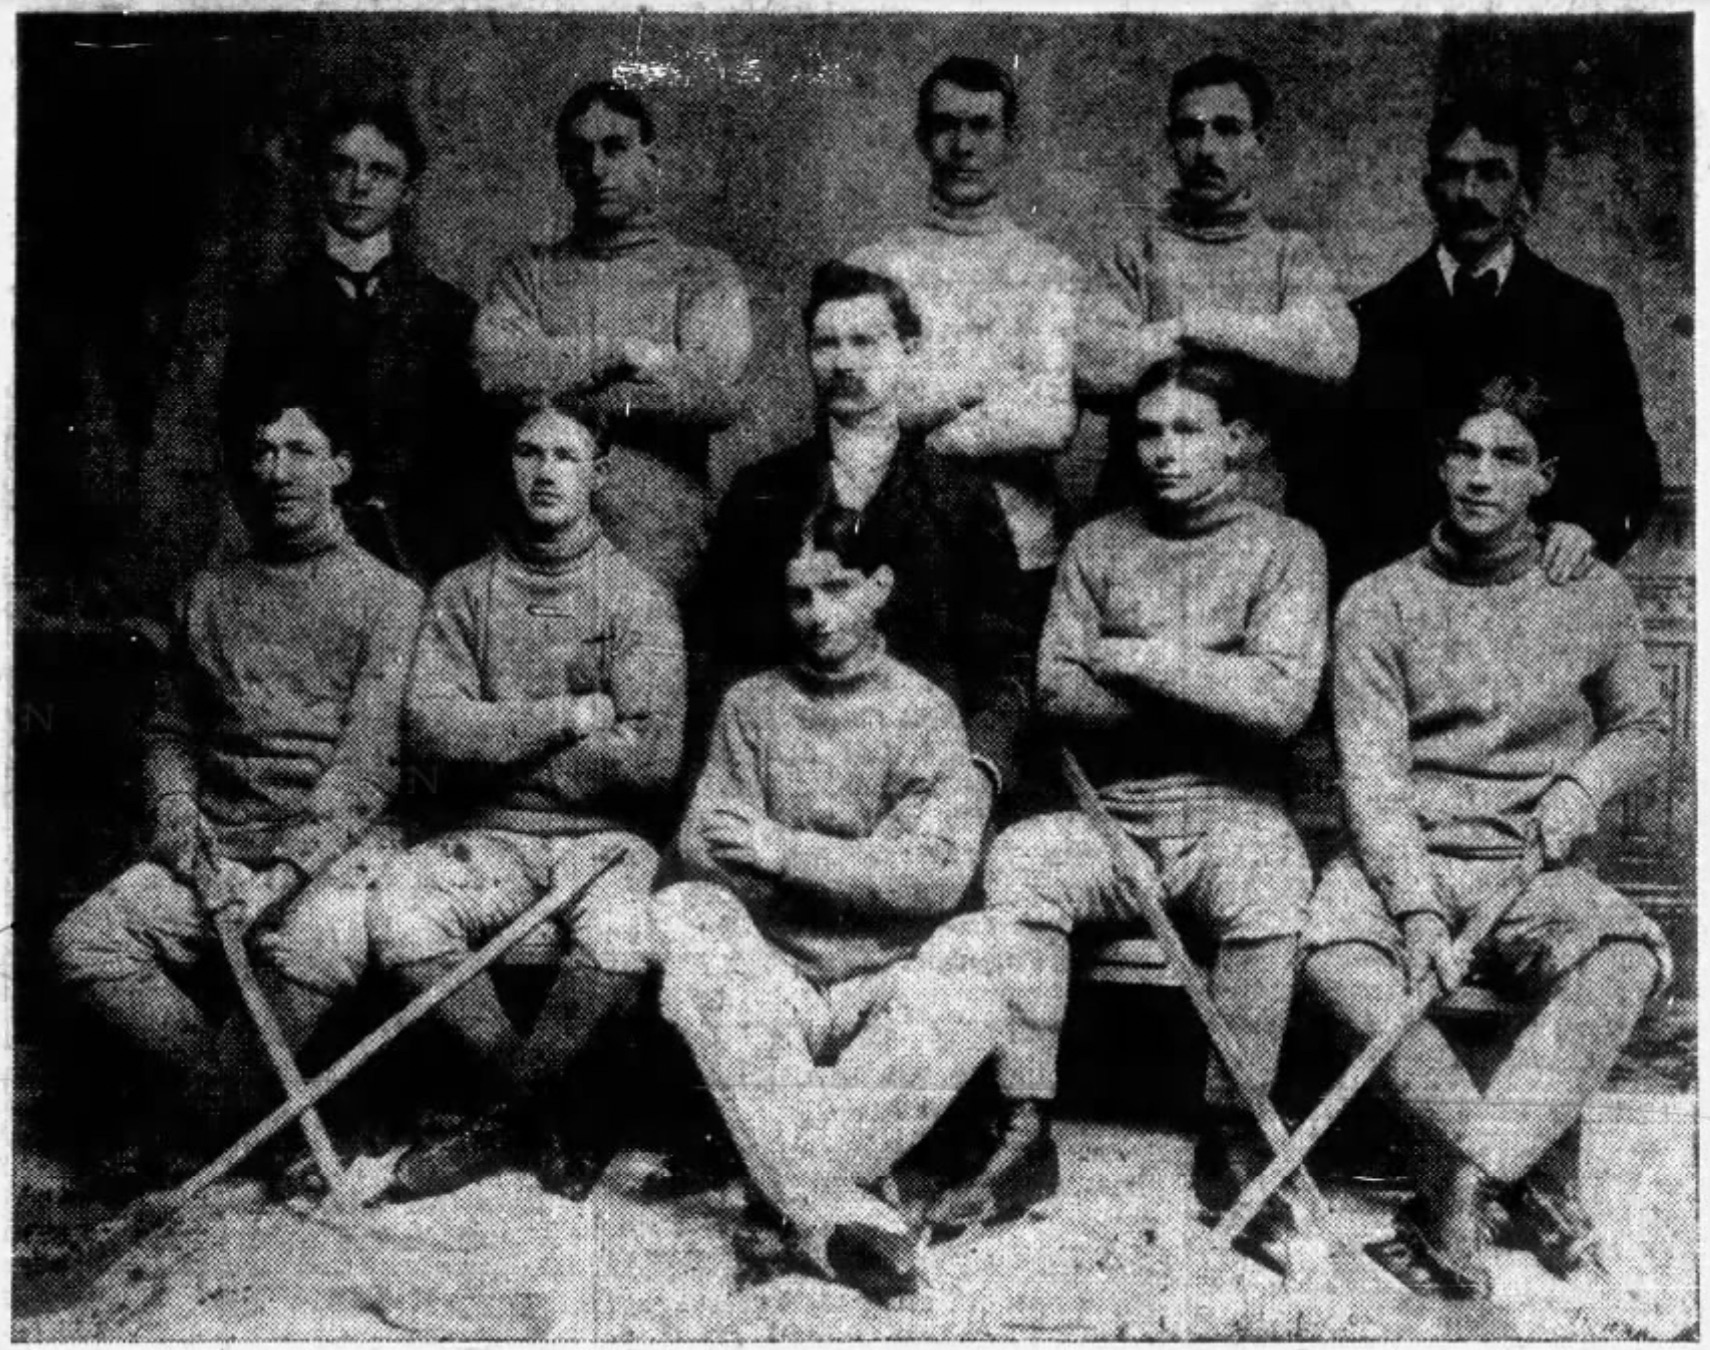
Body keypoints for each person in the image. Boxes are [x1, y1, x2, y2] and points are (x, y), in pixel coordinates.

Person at [941, 354, 1327, 1272]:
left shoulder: (1287, 548)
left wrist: (1137, 656)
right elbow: (1058, 694)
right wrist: (1215, 684)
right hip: (1108, 814)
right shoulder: (1096, 546)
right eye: (1148, 432)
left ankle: (1234, 1134)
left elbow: (1279, 704)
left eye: (1188, 430)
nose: (1163, 451)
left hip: (1231, 812)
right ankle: (1023, 1126)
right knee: (1023, 861)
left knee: (1273, 874)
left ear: (1239, 441)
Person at [1305, 374, 1669, 1299]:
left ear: (1545, 477)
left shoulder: (1592, 593)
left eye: (1509, 458)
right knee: (1338, 960)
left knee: (1625, 956)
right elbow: (1374, 781)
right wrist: (1418, 910)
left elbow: (1643, 727)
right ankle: (1508, 1169)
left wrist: (1583, 783)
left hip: (1531, 866)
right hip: (1404, 857)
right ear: (1439, 465)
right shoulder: (1378, 602)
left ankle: (1462, 1180)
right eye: (1464, 453)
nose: (1480, 476)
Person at [51, 386, 423, 1190]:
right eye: (262, 451)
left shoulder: (391, 600)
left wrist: (282, 876)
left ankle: (196, 1125)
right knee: (87, 940)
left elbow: (366, 768)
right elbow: (169, 732)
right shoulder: (209, 591)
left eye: (300, 451)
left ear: (341, 468)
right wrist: (181, 821)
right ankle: (262, 1118)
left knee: (316, 943)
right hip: (218, 844)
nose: (277, 471)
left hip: (341, 850)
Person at [652, 507, 1002, 1304]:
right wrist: (865, 868)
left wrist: (782, 852)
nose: (818, 615)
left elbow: (934, 879)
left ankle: (796, 1197)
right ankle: (841, 1208)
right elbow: (704, 848)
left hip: (885, 980)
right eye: (799, 596)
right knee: (684, 911)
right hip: (773, 977)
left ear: (880, 586)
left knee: (990, 951)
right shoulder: (751, 707)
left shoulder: (924, 712)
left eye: (838, 589)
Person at [368, 405, 684, 1201]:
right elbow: (431, 731)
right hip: (487, 837)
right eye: (528, 452)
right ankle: (539, 1110)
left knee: (622, 925)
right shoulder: (462, 594)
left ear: (599, 473)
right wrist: (566, 717)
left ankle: (502, 1118)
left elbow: (650, 758)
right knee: (401, 903)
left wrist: (495, 747)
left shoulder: (637, 598)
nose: (545, 473)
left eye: (566, 457)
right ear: (507, 465)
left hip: (604, 840)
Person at [701, 259, 1032, 816]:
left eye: (865, 341)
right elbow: (724, 651)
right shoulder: (761, 492)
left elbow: (1005, 664)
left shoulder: (960, 498)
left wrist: (979, 770)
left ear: (908, 349)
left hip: (923, 777)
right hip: (788, 774)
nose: (844, 362)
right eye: (825, 344)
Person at [1330, 89, 1661, 591]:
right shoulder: (1368, 319)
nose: (1469, 193)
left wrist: (1588, 527)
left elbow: (1632, 463)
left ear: (1526, 193)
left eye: (1492, 174)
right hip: (1408, 599)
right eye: (1453, 173)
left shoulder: (1582, 314)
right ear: (1428, 190)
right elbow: (1333, 484)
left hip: (1538, 594)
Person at [472, 80, 753, 600]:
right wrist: (622, 355)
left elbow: (715, 396)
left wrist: (564, 387)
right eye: (580, 153)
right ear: (563, 168)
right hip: (537, 543)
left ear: (652, 159)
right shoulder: (527, 271)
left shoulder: (702, 273)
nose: (597, 167)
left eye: (615, 147)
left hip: (659, 539)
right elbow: (496, 370)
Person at [847, 56, 1082, 630]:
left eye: (982, 126)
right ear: (921, 138)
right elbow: (855, 409)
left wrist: (926, 425)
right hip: (893, 541)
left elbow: (1050, 420)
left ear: (1010, 140)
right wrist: (986, 390)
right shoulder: (871, 267)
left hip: (1021, 547)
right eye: (946, 126)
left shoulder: (1051, 271)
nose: (963, 146)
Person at [221, 96, 488, 581]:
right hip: (302, 559)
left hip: (423, 565)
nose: (359, 185)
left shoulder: (450, 314)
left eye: (380, 171)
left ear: (408, 192)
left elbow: (473, 463)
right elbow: (241, 448)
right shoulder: (268, 312)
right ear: (318, 177)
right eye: (342, 166)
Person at [1077, 53, 1357, 514]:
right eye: (1190, 130)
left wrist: (1205, 328)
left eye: (1227, 129)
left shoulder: (1290, 254)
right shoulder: (1134, 254)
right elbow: (1091, 366)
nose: (1207, 149)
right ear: (1171, 142)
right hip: (1137, 508)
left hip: (1254, 509)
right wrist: (1189, 331)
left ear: (1257, 143)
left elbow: (1332, 351)